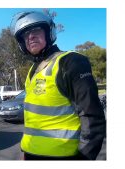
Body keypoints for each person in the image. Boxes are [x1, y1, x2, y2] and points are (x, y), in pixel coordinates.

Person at [10, 11, 106, 160]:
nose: (30, 37)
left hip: (63, 156)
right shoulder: (32, 70)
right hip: (31, 154)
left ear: (49, 33)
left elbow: (92, 117)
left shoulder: (70, 62)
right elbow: (33, 120)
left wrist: (84, 158)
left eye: (35, 30)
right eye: (25, 35)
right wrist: (26, 150)